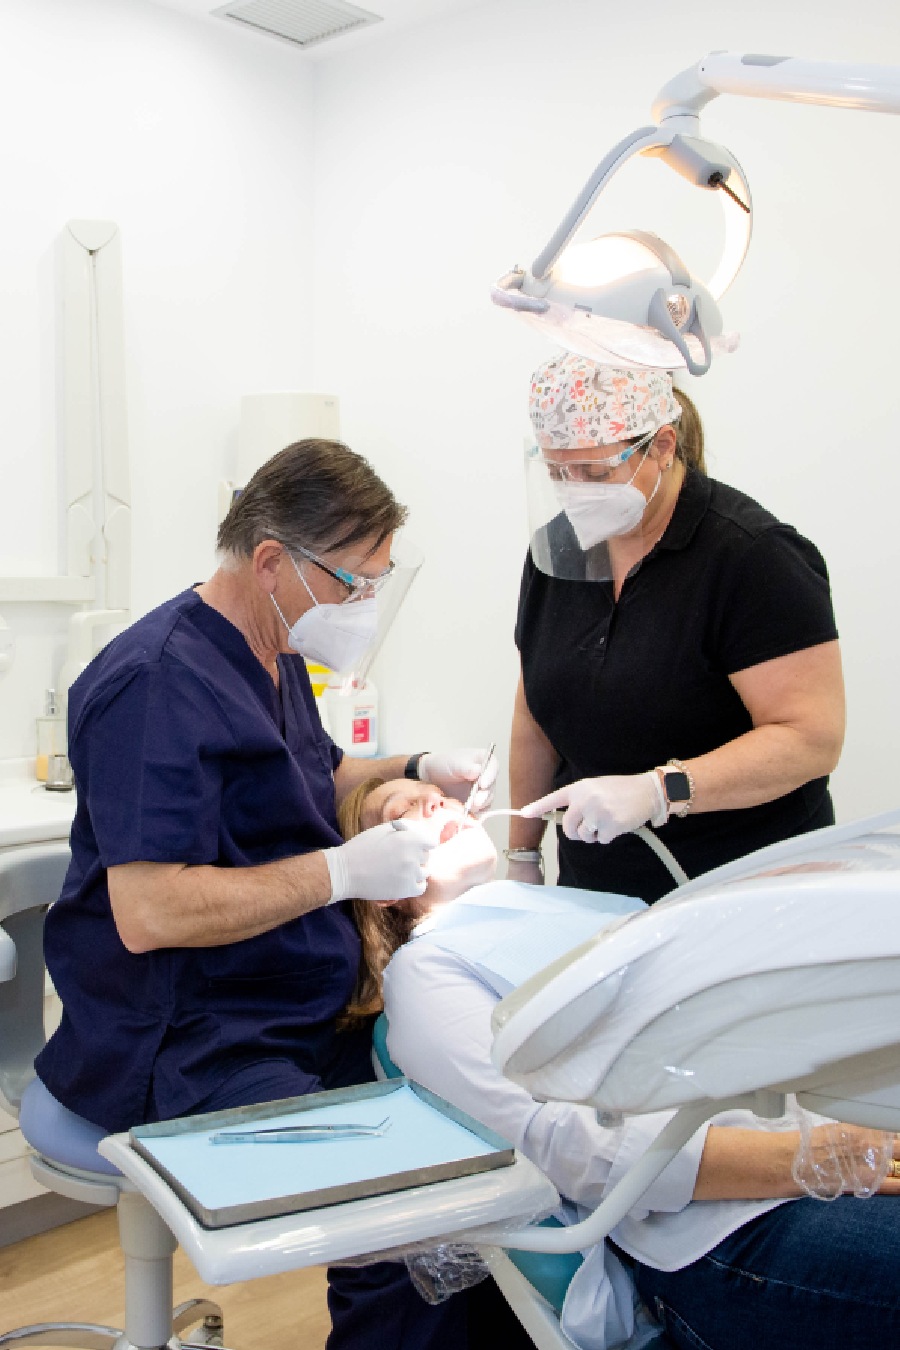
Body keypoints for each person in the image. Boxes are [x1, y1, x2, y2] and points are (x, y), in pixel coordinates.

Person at [33, 438, 498, 1350]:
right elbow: (151, 910)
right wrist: (342, 873)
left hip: (285, 1002)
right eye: (354, 583)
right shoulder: (154, 684)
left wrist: (412, 766)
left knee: (481, 1122)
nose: (364, 605)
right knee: (401, 1220)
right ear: (274, 560)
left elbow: (308, 780)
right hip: (188, 1039)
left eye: (379, 584)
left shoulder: (270, 651)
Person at [372, 866, 900, 1350]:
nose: (434, 798)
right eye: (400, 808)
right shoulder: (425, 969)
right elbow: (570, 1144)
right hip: (717, 1229)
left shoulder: (592, 910)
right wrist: (815, 1160)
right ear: (386, 888)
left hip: (820, 1143)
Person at [507, 355, 845, 901]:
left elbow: (810, 739)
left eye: (594, 472)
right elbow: (535, 712)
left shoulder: (752, 558)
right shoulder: (560, 550)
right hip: (597, 892)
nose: (575, 491)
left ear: (662, 446)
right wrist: (522, 854)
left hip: (741, 889)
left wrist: (662, 791)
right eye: (556, 472)